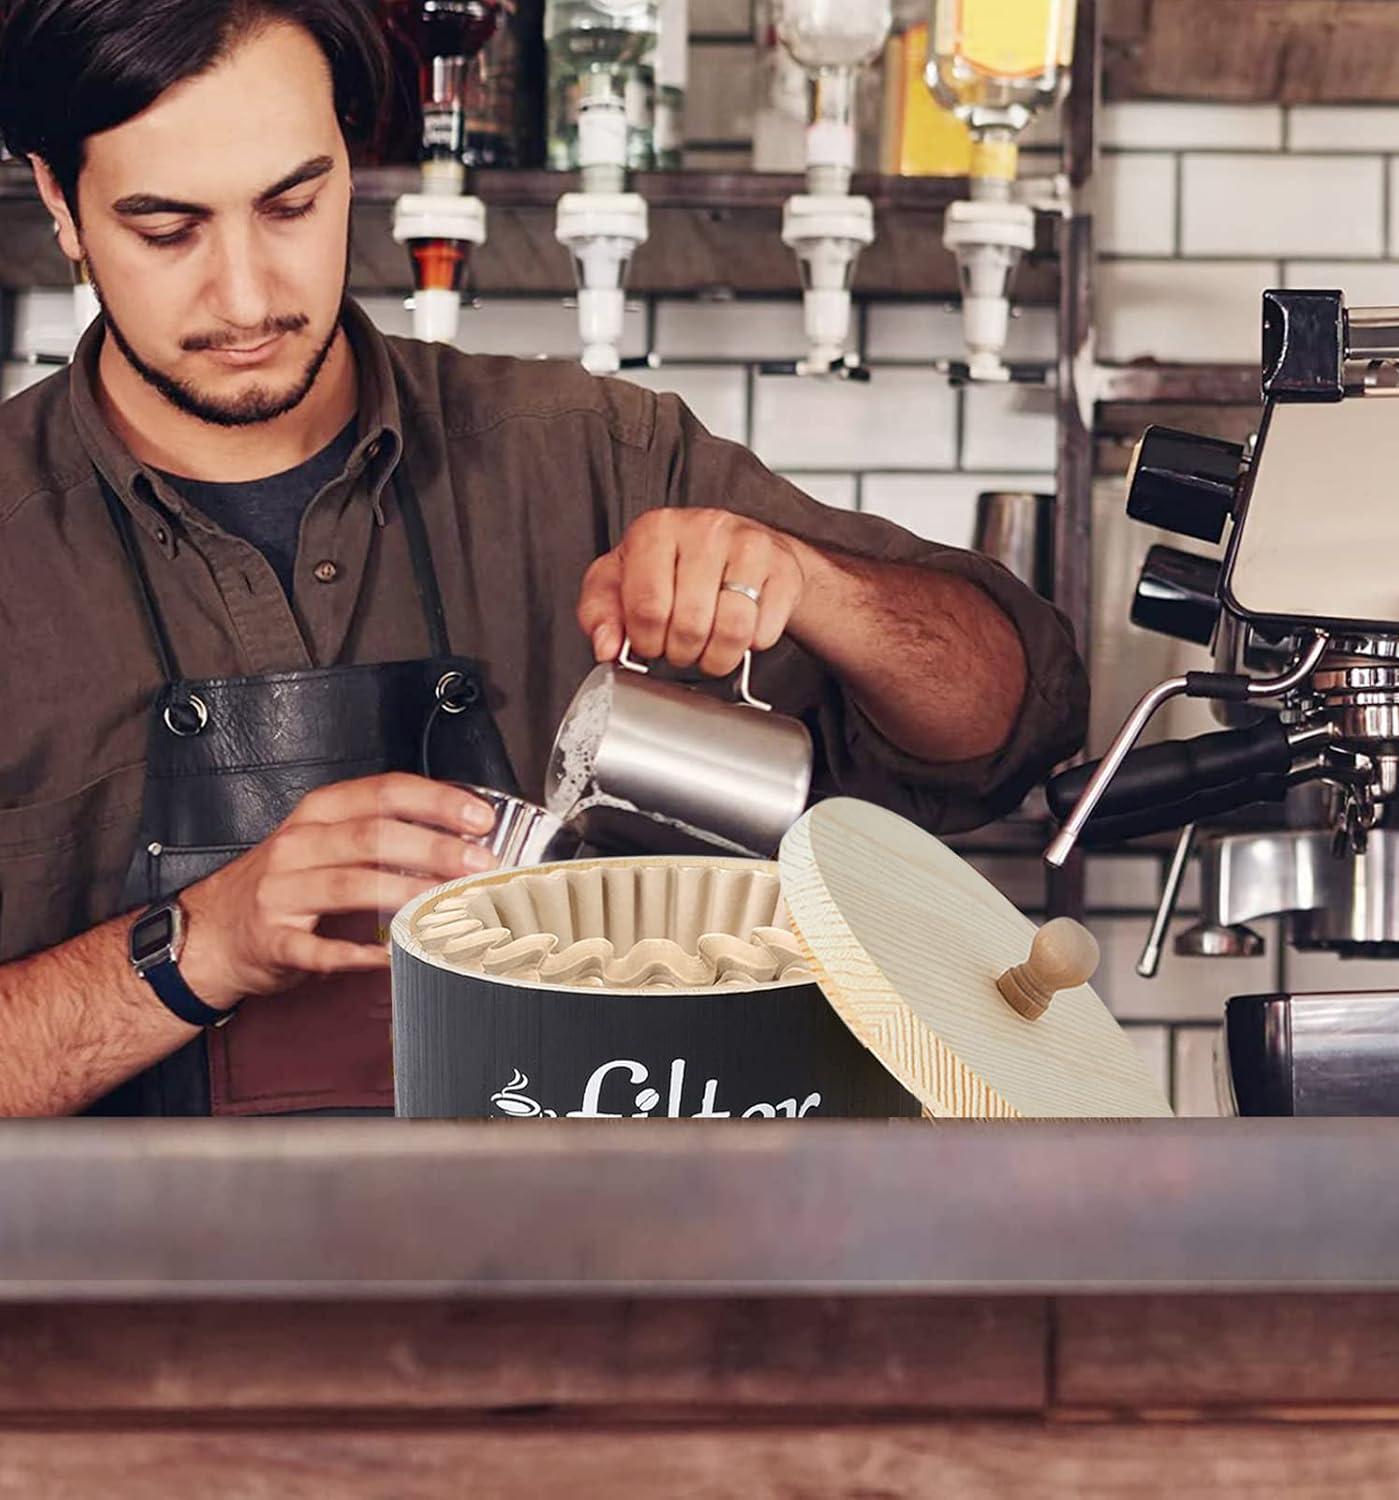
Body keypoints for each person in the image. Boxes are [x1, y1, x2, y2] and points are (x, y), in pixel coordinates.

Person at [0, 0, 1088, 1118]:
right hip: (119, 1282)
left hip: (582, 1267)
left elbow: (1010, 724)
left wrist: (812, 586)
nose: (247, 295)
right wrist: (195, 950)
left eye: (294, 203)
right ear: (59, 202)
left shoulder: (594, 456)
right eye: (166, 229)